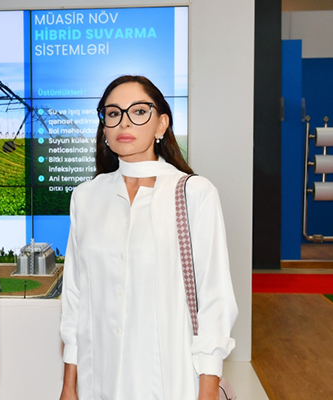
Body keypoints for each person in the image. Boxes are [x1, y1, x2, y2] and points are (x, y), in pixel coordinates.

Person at [59, 75, 238, 400]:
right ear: (104, 127)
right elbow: (75, 299)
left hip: (171, 380)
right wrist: (69, 387)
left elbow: (215, 301)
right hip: (99, 380)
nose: (124, 122)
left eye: (139, 111)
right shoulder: (86, 197)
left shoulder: (194, 193)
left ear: (161, 124)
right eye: (113, 113)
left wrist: (208, 391)